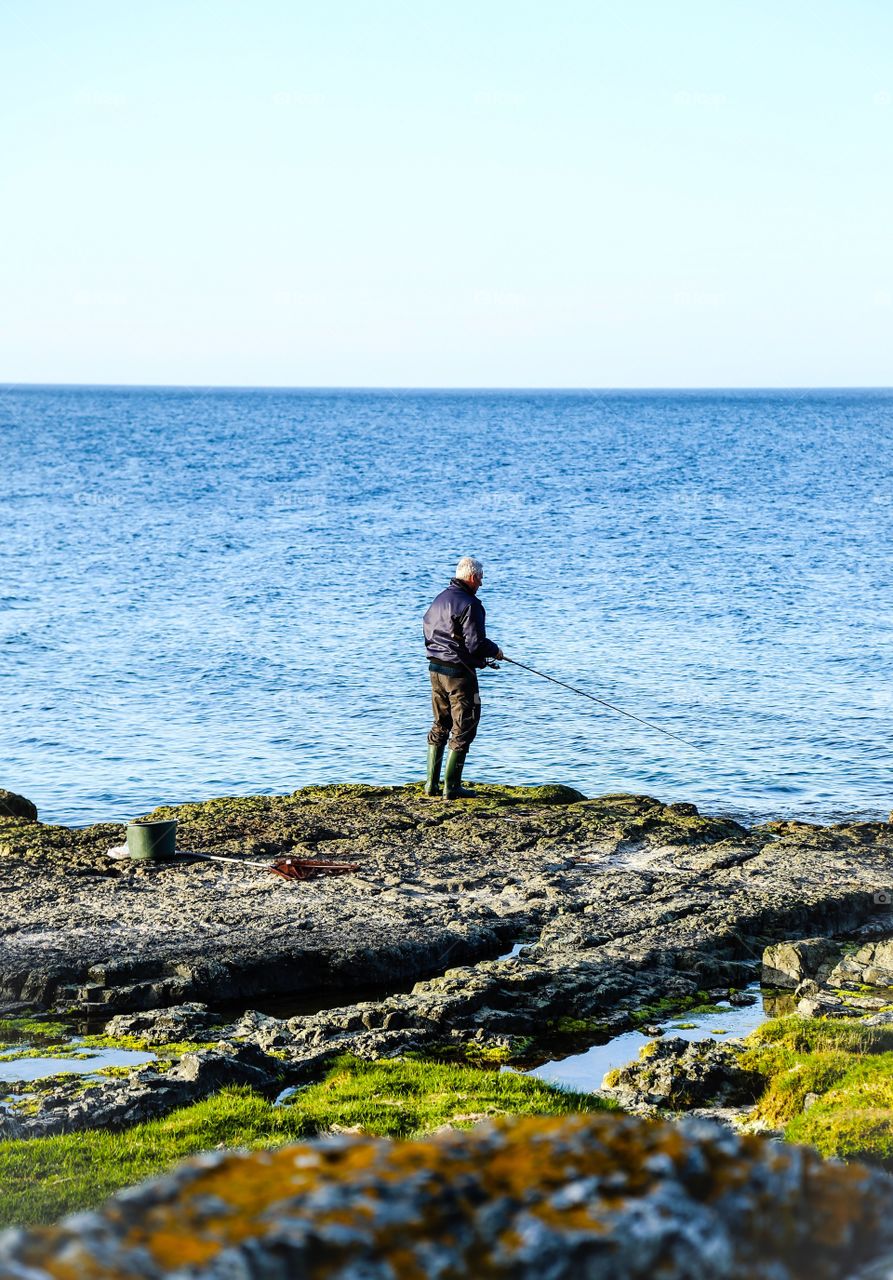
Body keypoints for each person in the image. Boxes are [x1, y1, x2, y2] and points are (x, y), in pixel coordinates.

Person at [422, 556, 503, 799]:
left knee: (441, 723)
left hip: (435, 670)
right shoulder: (471, 604)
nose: (481, 584)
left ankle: (431, 785)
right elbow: (476, 643)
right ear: (472, 577)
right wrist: (495, 651)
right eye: (480, 579)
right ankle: (452, 787)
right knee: (464, 725)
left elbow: (431, 631)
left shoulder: (439, 599)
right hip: (459, 674)